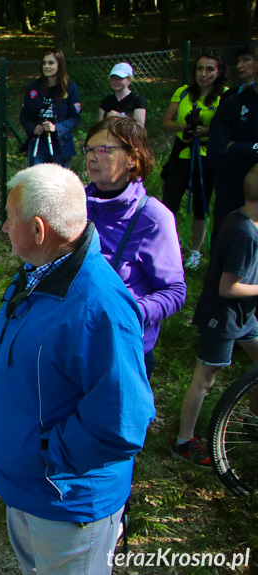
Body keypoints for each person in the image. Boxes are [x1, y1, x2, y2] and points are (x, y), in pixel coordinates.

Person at [0, 163, 155, 575]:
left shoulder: (99, 306)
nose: (3, 226)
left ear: (39, 230)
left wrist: (46, 456)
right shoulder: (40, 273)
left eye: (9, 217)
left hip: (65, 501)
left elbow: (124, 419)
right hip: (30, 487)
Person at [83, 117, 186, 378]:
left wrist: (131, 312)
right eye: (89, 149)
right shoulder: (74, 203)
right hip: (76, 340)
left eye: (104, 149)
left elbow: (174, 290)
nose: (93, 157)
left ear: (132, 158)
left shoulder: (153, 217)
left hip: (122, 350)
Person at [171, 164, 258, 467]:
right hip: (223, 317)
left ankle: (251, 421)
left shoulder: (244, 219)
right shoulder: (245, 233)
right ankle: (183, 441)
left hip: (244, 316)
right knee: (204, 380)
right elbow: (228, 288)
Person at [160, 50, 227, 270]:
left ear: (218, 72)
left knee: (201, 204)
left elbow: (226, 126)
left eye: (209, 69)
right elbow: (167, 122)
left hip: (206, 157)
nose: (203, 73)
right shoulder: (183, 92)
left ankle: (195, 252)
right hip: (181, 154)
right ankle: (166, 247)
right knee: (169, 203)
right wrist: (184, 128)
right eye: (200, 68)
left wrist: (207, 130)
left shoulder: (225, 95)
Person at [208, 45, 258, 242]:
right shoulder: (233, 102)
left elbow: (227, 150)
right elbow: (215, 154)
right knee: (223, 250)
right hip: (230, 196)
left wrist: (237, 147)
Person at [19, 49, 82, 168]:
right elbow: (24, 116)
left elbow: (75, 117)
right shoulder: (34, 88)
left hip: (60, 143)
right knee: (37, 179)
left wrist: (56, 128)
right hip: (39, 143)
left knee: (58, 182)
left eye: (51, 63)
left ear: (60, 64)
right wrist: (33, 128)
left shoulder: (70, 88)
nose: (47, 66)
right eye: (44, 63)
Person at [98, 62, 146, 126]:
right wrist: (107, 119)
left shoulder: (137, 99)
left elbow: (140, 126)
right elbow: (99, 127)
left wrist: (119, 117)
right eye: (113, 78)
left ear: (129, 80)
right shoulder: (106, 101)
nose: (116, 81)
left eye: (120, 78)